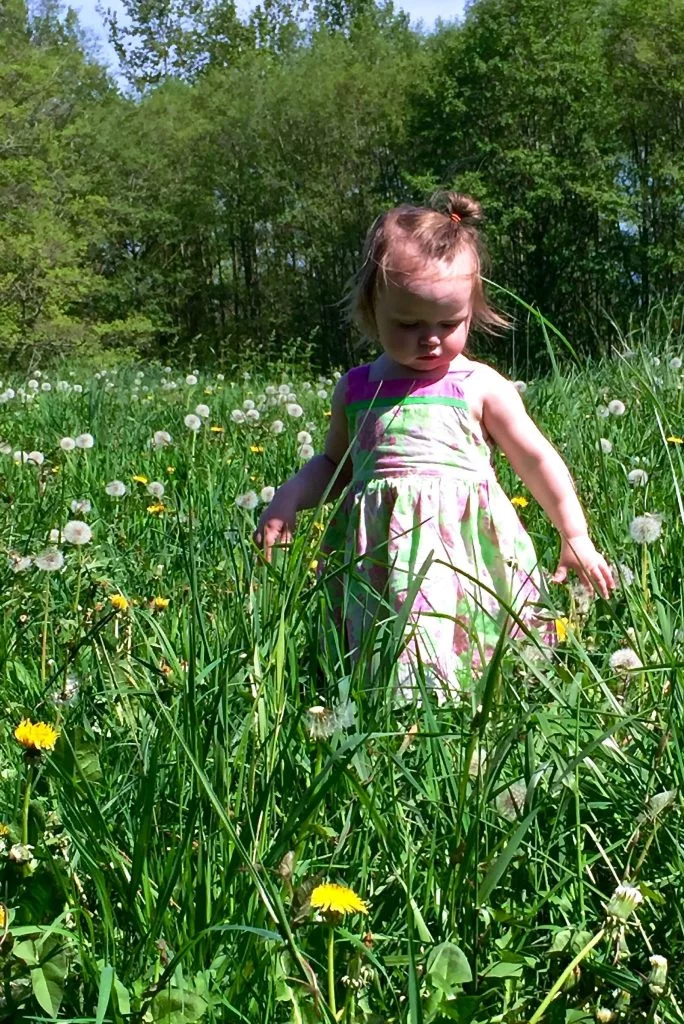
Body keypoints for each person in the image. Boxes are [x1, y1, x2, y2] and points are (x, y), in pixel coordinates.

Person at [255, 192, 615, 701]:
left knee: (495, 653)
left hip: (465, 550)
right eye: (408, 324)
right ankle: (397, 727)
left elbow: (535, 458)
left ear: (473, 310)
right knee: (382, 664)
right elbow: (333, 464)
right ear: (370, 307)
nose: (431, 339)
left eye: (450, 324)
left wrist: (573, 533)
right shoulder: (357, 390)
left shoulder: (479, 384)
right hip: (380, 554)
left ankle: (503, 712)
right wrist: (289, 497)